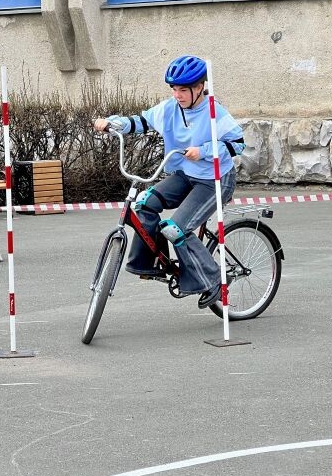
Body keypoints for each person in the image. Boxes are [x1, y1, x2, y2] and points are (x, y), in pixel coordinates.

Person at [92, 55, 245, 309]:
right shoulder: (170, 109)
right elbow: (140, 122)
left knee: (177, 229)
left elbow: (237, 144)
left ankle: (214, 281)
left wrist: (204, 151)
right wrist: (112, 123)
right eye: (174, 89)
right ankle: (152, 262)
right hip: (186, 174)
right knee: (145, 204)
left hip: (215, 179)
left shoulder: (214, 112)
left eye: (183, 89)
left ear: (199, 87)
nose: (177, 95)